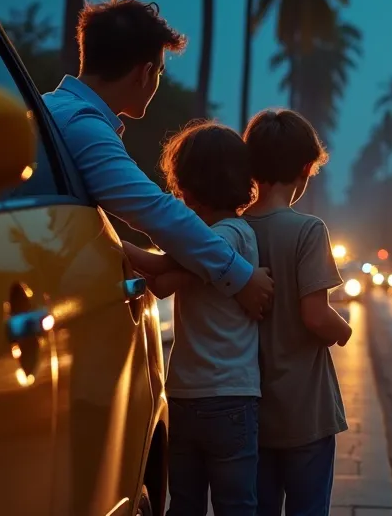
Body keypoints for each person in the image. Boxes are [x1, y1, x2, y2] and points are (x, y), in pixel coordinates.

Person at [41, 0, 273, 315]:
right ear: (145, 72)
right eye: (160, 72)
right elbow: (154, 210)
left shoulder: (53, 109)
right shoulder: (81, 125)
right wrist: (243, 277)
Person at [124, 122, 261, 515]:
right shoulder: (223, 236)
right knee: (233, 505)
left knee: (186, 503)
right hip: (224, 397)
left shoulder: (229, 237)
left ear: (186, 184)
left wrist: (117, 245)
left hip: (207, 397)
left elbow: (164, 276)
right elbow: (167, 279)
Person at [239, 109, 352, 516]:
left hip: (252, 409)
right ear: (306, 168)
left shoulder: (232, 229)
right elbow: (315, 316)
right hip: (306, 411)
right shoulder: (308, 230)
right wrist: (345, 330)